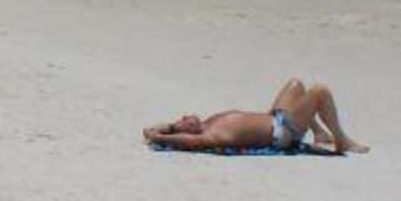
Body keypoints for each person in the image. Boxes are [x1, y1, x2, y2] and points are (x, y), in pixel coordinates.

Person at [142, 77, 368, 154]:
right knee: (320, 91)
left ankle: (319, 133)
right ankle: (341, 140)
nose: (185, 116)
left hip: (275, 119)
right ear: (187, 132)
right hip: (282, 133)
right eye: (182, 121)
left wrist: (165, 128)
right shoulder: (209, 136)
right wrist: (161, 136)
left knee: (296, 84)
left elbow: (151, 130)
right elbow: (178, 139)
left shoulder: (208, 123)